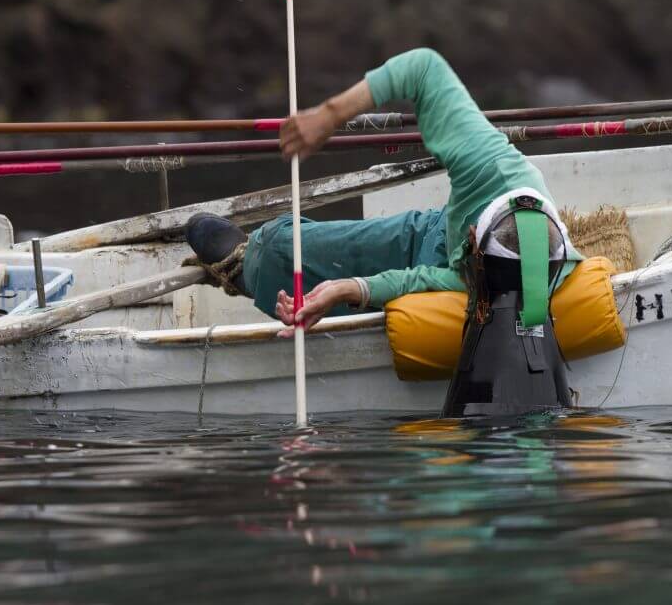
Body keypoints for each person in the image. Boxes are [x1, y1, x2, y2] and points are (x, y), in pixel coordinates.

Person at [186, 48, 583, 415]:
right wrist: (329, 114)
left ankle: (278, 272)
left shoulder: (541, 269)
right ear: (476, 238)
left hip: (442, 277)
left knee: (344, 289)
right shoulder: (486, 163)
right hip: (433, 235)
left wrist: (347, 289)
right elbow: (423, 67)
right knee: (275, 248)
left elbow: (426, 279)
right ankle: (247, 262)